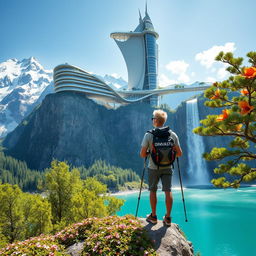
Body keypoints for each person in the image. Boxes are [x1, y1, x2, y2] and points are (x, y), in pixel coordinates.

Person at [140, 109, 182, 226]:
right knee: (167, 191)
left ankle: (153, 216)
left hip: (153, 168)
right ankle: (168, 218)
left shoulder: (149, 135)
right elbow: (180, 153)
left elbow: (142, 154)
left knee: (152, 190)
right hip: (168, 167)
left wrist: (149, 152)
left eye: (153, 118)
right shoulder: (172, 135)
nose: (152, 120)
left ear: (156, 121)